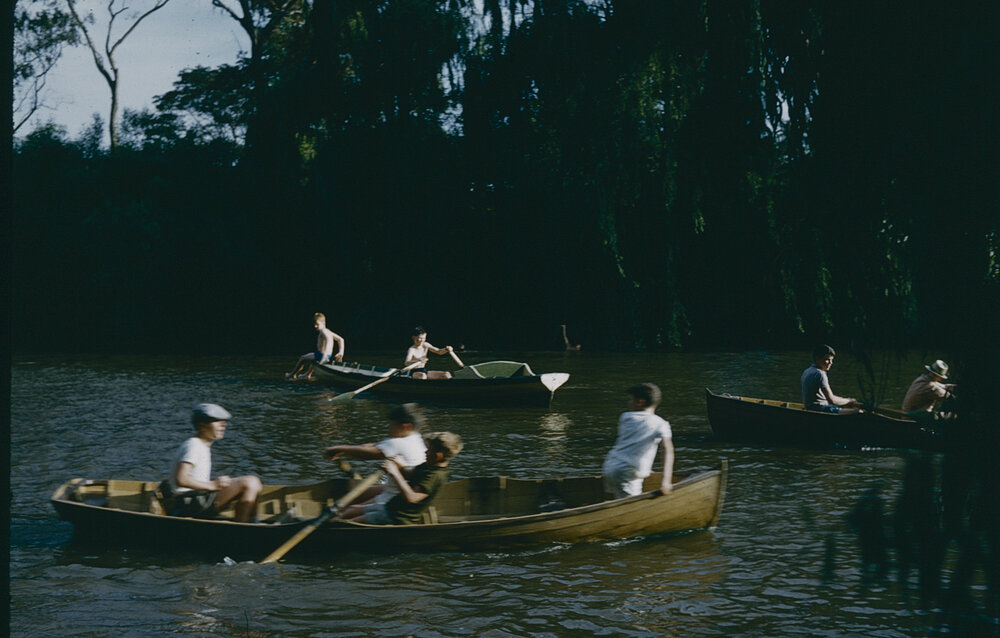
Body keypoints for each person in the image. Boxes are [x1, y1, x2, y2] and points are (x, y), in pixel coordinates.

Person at [323, 403, 428, 515]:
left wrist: (339, 448)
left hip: (396, 496)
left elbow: (370, 454)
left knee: (350, 509)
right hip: (397, 488)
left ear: (405, 426)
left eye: (391, 425)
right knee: (357, 494)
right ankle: (340, 511)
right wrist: (343, 451)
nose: (388, 428)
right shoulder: (416, 439)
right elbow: (373, 446)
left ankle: (339, 517)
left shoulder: (398, 443)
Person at [164, 403, 262, 522]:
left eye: (224, 422)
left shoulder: (201, 445)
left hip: (193, 500)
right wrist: (212, 485)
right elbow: (182, 479)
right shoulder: (194, 445)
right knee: (251, 482)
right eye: (217, 421)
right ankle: (241, 529)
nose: (223, 425)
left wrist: (213, 486)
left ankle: (253, 523)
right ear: (202, 426)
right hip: (186, 503)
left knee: (255, 486)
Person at [340, 431, 463, 525]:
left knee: (353, 522)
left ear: (437, 456)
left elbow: (412, 498)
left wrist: (395, 473)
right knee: (351, 510)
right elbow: (411, 474)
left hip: (399, 516)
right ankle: (333, 522)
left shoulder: (434, 476)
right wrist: (400, 466)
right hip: (390, 507)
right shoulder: (429, 466)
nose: (425, 452)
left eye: (428, 450)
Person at [602, 382, 674, 499]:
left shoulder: (625, 417)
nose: (628, 402)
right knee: (629, 505)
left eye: (630, 399)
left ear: (640, 402)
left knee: (619, 500)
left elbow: (632, 444)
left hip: (610, 466)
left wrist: (645, 468)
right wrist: (666, 481)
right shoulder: (660, 423)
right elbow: (668, 450)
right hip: (627, 472)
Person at [800, 344, 861, 414]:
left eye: (831, 360)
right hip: (821, 409)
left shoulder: (807, 371)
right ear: (817, 359)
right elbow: (831, 400)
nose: (830, 363)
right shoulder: (820, 374)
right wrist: (849, 401)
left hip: (811, 407)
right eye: (827, 360)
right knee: (858, 411)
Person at [286, 312, 345, 380]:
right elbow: (341, 339)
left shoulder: (324, 332)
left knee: (302, 358)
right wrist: (341, 352)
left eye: (317, 324)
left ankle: (292, 374)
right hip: (322, 354)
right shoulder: (328, 331)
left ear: (323, 323)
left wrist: (324, 356)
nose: (315, 326)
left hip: (322, 355)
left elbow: (328, 341)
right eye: (314, 324)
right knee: (313, 359)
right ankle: (307, 374)